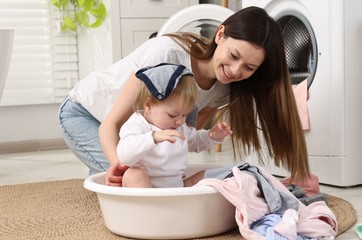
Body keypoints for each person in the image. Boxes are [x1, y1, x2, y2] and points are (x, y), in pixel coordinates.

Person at [58, 6, 310, 187]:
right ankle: (99, 170)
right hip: (86, 114)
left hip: (133, 135)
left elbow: (184, 137)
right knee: (133, 178)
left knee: (152, 178)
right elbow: (111, 124)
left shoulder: (226, 89)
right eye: (234, 56)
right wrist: (117, 166)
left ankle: (97, 170)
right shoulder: (166, 54)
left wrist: (208, 139)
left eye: (249, 68)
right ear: (220, 35)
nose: (236, 71)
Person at [117, 63, 232, 188]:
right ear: (149, 106)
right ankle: (152, 207)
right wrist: (153, 137)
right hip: (147, 189)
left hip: (176, 187)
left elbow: (195, 142)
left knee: (208, 176)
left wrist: (212, 136)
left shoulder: (179, 127)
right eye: (173, 115)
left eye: (184, 115)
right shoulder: (138, 124)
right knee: (133, 175)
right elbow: (124, 156)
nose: (179, 121)